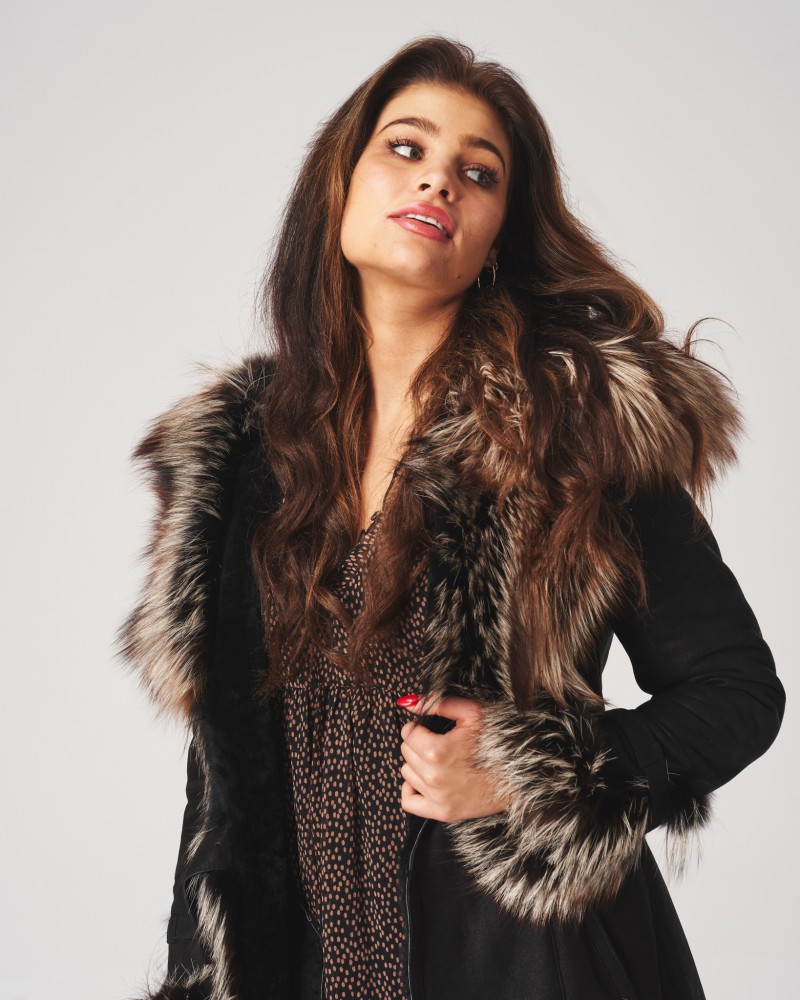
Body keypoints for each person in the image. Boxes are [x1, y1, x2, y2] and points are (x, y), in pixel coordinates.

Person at [117, 35, 785, 1000]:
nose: (438, 181)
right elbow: (220, 786)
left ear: (498, 235)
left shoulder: (577, 426)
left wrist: (531, 775)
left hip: (535, 965)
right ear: (338, 186)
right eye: (406, 148)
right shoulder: (241, 452)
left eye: (478, 173)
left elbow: (737, 690)